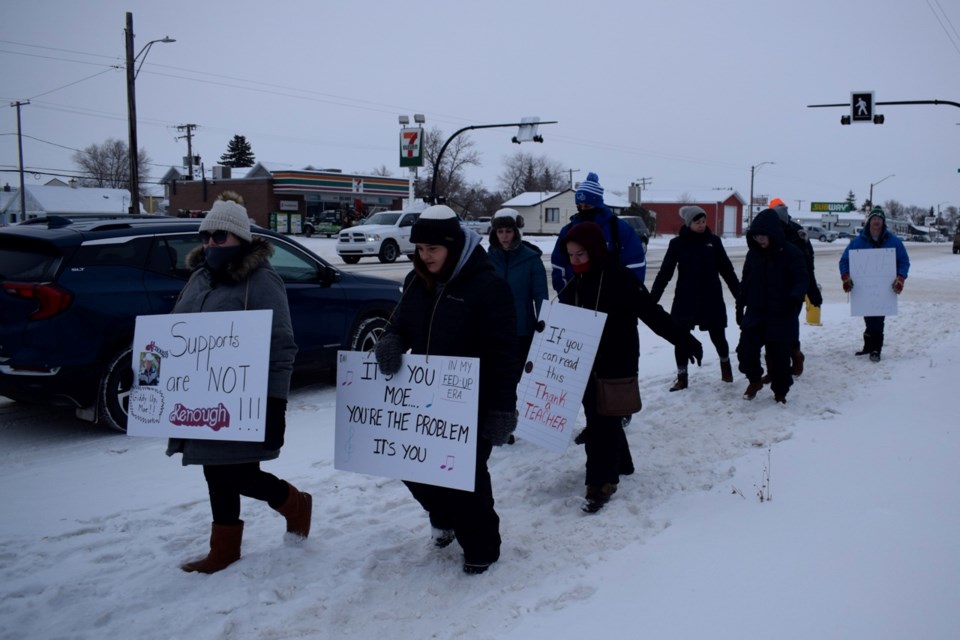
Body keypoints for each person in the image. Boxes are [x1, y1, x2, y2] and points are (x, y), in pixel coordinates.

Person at [166, 191, 310, 574]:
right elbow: (179, 333)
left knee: (240, 473)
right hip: (201, 397)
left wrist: (275, 402)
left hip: (243, 397)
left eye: (220, 237)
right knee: (213, 470)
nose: (211, 244)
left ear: (241, 239)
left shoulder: (261, 281)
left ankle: (294, 503)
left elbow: (282, 345)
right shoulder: (199, 278)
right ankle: (224, 549)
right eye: (206, 236)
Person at [374, 204, 518, 575]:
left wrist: (503, 409)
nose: (425, 256)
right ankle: (443, 517)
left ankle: (482, 546)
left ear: (452, 247)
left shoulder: (488, 287)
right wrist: (390, 341)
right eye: (420, 249)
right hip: (425, 401)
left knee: (466, 478)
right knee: (413, 464)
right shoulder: (416, 282)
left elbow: (505, 354)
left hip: (474, 400)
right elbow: (400, 324)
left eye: (433, 250)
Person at [557, 221, 702, 513]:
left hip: (616, 362)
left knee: (603, 421)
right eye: (571, 256)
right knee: (600, 418)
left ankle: (601, 482)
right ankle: (622, 462)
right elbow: (559, 323)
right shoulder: (574, 286)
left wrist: (683, 339)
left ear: (595, 251)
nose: (575, 261)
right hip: (584, 364)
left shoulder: (619, 279)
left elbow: (651, 313)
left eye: (580, 255)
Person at [650, 205, 740, 391]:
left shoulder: (714, 242)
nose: (701, 225)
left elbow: (727, 270)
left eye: (704, 221)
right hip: (686, 298)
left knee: (718, 336)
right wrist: (651, 300)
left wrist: (739, 295)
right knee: (680, 336)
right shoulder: (677, 244)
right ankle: (682, 377)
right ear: (688, 223)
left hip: (711, 297)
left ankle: (726, 368)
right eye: (697, 222)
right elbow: (665, 273)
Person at [735, 208, 809, 404]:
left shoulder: (792, 253)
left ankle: (780, 392)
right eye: (756, 236)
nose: (760, 240)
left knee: (779, 361)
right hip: (756, 312)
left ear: (774, 234)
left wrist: (794, 299)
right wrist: (739, 305)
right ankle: (755, 380)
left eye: (763, 236)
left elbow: (801, 279)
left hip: (781, 314)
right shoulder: (753, 255)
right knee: (745, 352)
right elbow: (745, 281)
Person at [551, 172, 647, 292]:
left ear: (598, 205)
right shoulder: (569, 231)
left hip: (612, 301)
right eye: (579, 206)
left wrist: (624, 297)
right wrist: (565, 292)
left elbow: (635, 264)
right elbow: (558, 263)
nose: (582, 209)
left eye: (587, 206)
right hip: (576, 300)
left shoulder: (619, 229)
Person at [838, 205, 910, 362]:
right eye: (874, 219)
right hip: (864, 289)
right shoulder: (858, 242)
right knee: (868, 317)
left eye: (879, 219)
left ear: (883, 222)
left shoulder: (893, 241)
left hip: (885, 288)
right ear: (869, 221)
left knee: (878, 319)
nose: (876, 222)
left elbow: (904, 261)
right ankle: (868, 347)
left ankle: (876, 349)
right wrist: (845, 277)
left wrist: (901, 278)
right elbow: (844, 260)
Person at [486, 208, 548, 377]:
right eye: (500, 231)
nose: (504, 236)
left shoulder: (531, 260)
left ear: (517, 232)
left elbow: (541, 296)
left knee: (520, 378)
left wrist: (544, 322)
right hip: (494, 331)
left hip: (522, 331)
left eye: (508, 231)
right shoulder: (487, 260)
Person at [769, 197, 822, 376]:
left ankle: (795, 354)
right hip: (772, 287)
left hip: (794, 287)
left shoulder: (797, 232)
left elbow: (808, 261)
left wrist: (811, 289)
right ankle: (777, 357)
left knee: (789, 322)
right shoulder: (767, 231)